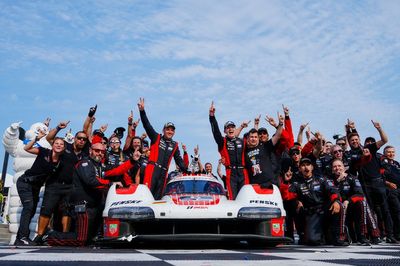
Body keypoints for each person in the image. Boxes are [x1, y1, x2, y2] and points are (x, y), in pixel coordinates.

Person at [46, 142, 140, 246]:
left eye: (102, 152)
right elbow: (90, 181)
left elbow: (117, 170)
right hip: (83, 206)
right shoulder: (84, 163)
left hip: (95, 206)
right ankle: (50, 236)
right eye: (97, 151)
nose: (99, 153)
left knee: (90, 239)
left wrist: (132, 161)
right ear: (90, 151)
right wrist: (110, 183)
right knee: (81, 240)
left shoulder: (100, 166)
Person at [346, 120, 397, 243]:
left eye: (356, 139)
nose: (354, 141)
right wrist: (350, 129)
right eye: (352, 140)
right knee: (369, 211)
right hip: (364, 185)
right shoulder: (348, 154)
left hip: (378, 183)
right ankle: (374, 236)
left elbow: (385, 140)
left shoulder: (369, 147)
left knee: (385, 210)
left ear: (360, 140)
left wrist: (379, 128)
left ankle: (390, 235)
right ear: (349, 142)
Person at [15, 131, 65, 246]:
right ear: (53, 145)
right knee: (28, 207)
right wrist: (36, 138)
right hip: (25, 182)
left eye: (61, 144)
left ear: (64, 148)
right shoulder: (43, 152)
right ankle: (23, 237)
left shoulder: (60, 162)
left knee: (31, 210)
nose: (58, 145)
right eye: (56, 143)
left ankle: (19, 238)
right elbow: (26, 148)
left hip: (36, 187)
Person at [289, 158, 347, 246]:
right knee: (313, 241)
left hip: (325, 210)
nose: (306, 167)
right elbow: (288, 196)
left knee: (338, 204)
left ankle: (339, 236)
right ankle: (320, 235)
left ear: (312, 167)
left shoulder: (321, 179)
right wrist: (296, 201)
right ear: (300, 169)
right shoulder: (296, 183)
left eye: (308, 165)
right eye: (303, 165)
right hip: (312, 214)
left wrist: (336, 201)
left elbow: (334, 191)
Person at [138, 98, 187, 199]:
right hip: (152, 170)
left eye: (172, 130)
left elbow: (179, 160)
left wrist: (188, 170)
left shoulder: (175, 145)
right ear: (163, 130)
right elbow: (147, 126)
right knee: (147, 196)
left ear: (174, 132)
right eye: (167, 129)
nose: (170, 132)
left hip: (163, 173)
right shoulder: (156, 137)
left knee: (158, 198)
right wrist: (142, 111)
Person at [331, 159, 380, 245]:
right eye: (334, 166)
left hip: (352, 206)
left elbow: (360, 194)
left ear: (344, 168)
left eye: (339, 166)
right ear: (332, 169)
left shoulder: (352, 178)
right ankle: (341, 235)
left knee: (363, 202)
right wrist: (338, 182)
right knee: (340, 205)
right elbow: (331, 193)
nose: (337, 168)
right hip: (338, 207)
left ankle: (364, 235)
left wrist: (348, 201)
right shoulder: (330, 180)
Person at [209, 101, 249, 199]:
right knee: (233, 198)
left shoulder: (242, 141)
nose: (230, 129)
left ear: (235, 129)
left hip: (243, 173)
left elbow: (254, 143)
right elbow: (216, 132)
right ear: (225, 131)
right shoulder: (222, 142)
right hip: (231, 174)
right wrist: (212, 116)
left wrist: (253, 125)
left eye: (232, 127)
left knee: (246, 198)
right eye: (228, 128)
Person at [244, 113, 284, 188]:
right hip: (255, 185)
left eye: (256, 137)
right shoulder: (245, 151)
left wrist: (281, 124)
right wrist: (255, 125)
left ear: (258, 138)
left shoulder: (265, 146)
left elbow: (277, 135)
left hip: (270, 184)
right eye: (251, 137)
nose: (253, 139)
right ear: (248, 139)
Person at [380, 145, 400, 241]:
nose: (391, 154)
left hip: (398, 190)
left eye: (392, 152)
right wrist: (388, 183)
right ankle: (393, 235)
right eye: (388, 152)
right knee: (396, 211)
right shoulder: (382, 163)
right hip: (390, 191)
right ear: (384, 153)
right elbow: (379, 178)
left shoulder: (397, 164)